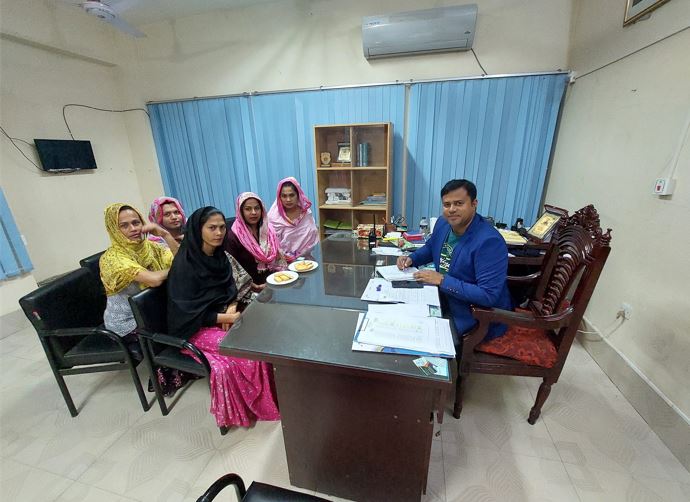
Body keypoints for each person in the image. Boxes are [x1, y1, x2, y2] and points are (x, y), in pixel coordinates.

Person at [167, 206, 280, 428]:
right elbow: (187, 312)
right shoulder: (185, 266)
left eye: (221, 227)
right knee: (248, 352)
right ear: (198, 230)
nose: (219, 233)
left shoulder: (219, 256)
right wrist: (224, 318)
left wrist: (231, 306)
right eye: (212, 228)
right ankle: (259, 405)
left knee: (266, 336)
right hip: (195, 329)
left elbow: (230, 287)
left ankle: (274, 394)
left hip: (224, 315)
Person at [396, 179, 512, 343]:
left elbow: (488, 295)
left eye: (459, 203)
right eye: (447, 204)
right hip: (439, 296)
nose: (451, 209)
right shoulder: (443, 223)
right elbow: (431, 247)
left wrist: (442, 280)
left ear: (474, 204)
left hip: (471, 316)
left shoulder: (489, 242)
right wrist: (411, 258)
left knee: (420, 339)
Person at [99, 203, 179, 358]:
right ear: (114, 229)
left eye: (136, 223)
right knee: (183, 325)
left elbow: (183, 260)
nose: (133, 229)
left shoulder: (150, 247)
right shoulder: (112, 259)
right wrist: (179, 268)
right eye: (124, 226)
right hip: (128, 323)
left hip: (152, 311)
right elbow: (154, 280)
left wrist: (166, 235)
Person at [224, 192, 286, 284]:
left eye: (257, 208)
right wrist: (253, 287)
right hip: (250, 287)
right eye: (248, 209)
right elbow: (234, 271)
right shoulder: (233, 237)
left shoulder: (269, 230)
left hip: (275, 280)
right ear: (241, 211)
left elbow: (278, 259)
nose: (253, 212)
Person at [267, 177, 319, 261]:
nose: (288, 200)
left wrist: (300, 256)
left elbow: (312, 235)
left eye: (291, 195)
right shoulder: (274, 217)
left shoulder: (305, 213)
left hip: (306, 260)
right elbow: (271, 243)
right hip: (282, 262)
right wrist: (284, 256)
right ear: (279, 197)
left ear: (298, 195)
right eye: (284, 196)